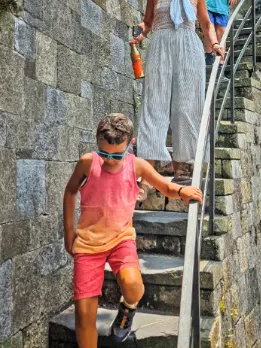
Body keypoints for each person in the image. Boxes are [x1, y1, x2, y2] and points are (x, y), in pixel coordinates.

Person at [63, 113, 203, 347]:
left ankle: (127, 310)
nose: (108, 160)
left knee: (133, 287)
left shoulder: (136, 165)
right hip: (88, 244)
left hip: (121, 239)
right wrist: (69, 231)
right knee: (84, 314)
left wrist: (181, 192)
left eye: (116, 155)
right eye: (103, 153)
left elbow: (164, 185)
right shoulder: (88, 162)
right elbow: (70, 191)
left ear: (131, 145)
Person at [133, 0, 224, 190]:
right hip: (161, 46)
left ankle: (181, 165)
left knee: (185, 107)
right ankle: (148, 170)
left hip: (188, 48)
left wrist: (214, 43)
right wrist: (139, 32)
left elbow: (206, 23)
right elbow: (149, 22)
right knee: (154, 104)